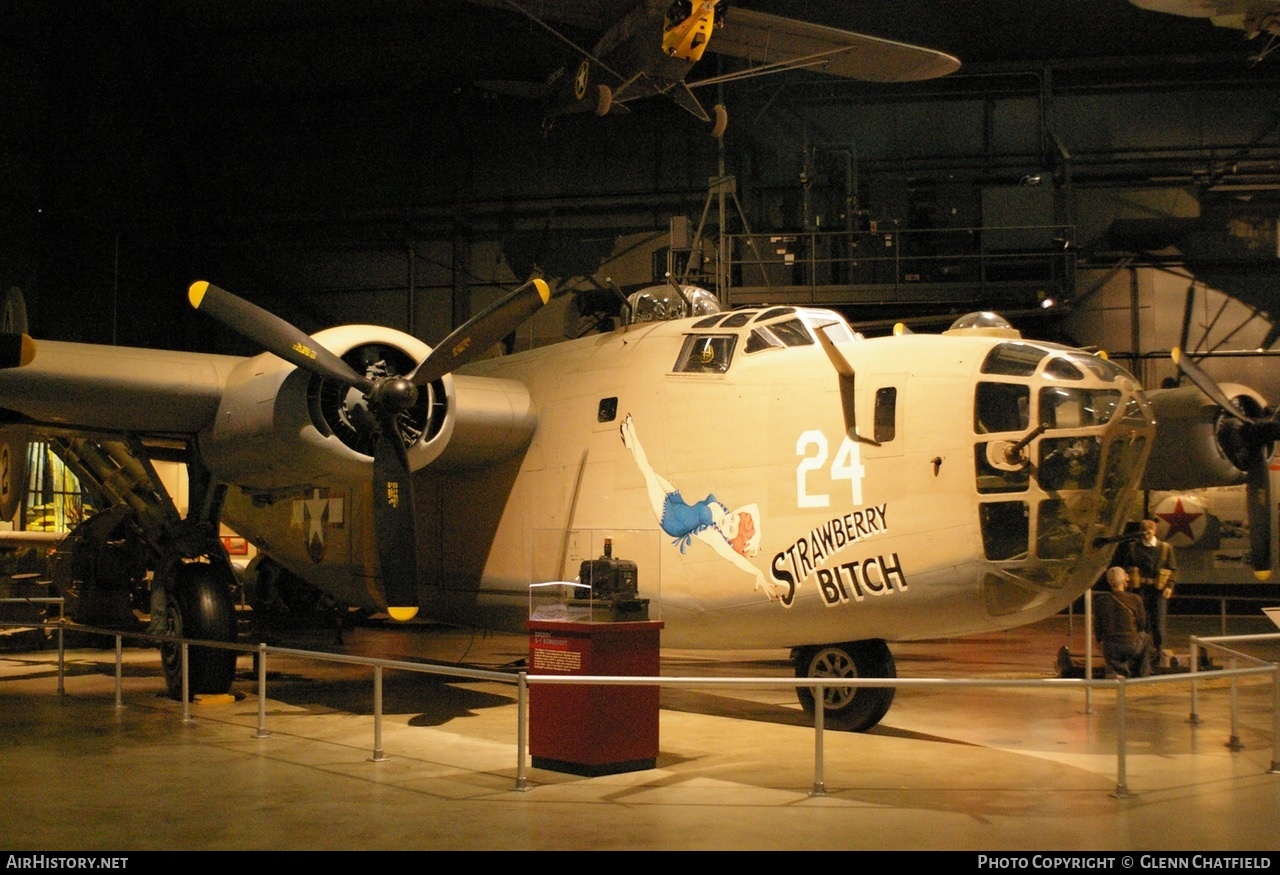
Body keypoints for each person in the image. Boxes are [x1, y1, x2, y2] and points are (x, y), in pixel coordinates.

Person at [1115, 519, 1176, 666]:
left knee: (1158, 622)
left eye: (1148, 532)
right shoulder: (1133, 548)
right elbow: (1126, 566)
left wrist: (1169, 586)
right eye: (1143, 532)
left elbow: (1173, 569)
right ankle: (1142, 651)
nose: (1145, 535)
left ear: (1154, 531)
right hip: (1139, 591)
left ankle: (1159, 650)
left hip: (1158, 591)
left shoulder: (1165, 549)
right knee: (1141, 622)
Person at [1093, 566, 1153, 678]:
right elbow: (1142, 625)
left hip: (1110, 648)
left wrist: (1099, 641)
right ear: (1125, 580)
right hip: (1131, 646)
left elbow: (1098, 627)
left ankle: (1117, 670)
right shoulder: (1135, 599)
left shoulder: (1100, 601)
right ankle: (1142, 675)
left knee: (1110, 648)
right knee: (1146, 638)